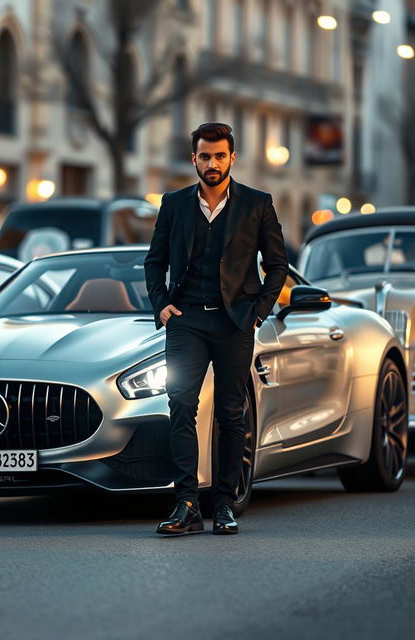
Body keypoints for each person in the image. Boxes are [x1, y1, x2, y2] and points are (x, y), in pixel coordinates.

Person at [144, 122, 288, 536]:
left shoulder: (257, 204)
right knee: (181, 407)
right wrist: (162, 304)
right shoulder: (173, 204)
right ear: (194, 159)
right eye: (204, 156)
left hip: (234, 322)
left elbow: (278, 264)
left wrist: (259, 310)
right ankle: (187, 503)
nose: (212, 163)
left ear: (232, 158)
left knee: (230, 413)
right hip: (186, 320)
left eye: (219, 156)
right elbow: (154, 261)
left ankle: (223, 504)